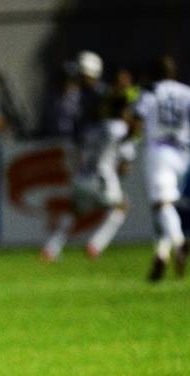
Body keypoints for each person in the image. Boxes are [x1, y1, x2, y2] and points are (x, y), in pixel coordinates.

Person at [134, 55, 190, 282]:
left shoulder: (150, 93)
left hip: (159, 150)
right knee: (166, 208)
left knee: (161, 204)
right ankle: (162, 254)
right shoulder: (189, 92)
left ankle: (179, 243)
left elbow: (135, 119)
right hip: (184, 153)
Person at [41, 95, 135, 261]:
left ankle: (51, 249)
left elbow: (76, 149)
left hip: (83, 176)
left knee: (75, 212)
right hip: (102, 178)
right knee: (122, 206)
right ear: (124, 111)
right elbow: (125, 164)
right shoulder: (122, 129)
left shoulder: (93, 128)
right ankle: (95, 245)